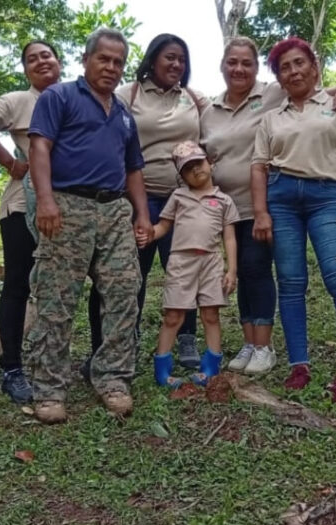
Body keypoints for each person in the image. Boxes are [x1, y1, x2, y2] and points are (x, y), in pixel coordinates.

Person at [200, 37, 336, 376]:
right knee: (244, 271)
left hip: (268, 201)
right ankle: (250, 341)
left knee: (262, 268)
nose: (239, 68)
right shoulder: (208, 110)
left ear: (257, 70)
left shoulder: (271, 93)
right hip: (228, 208)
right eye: (232, 62)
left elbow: (310, 88)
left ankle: (264, 345)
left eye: (247, 63)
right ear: (222, 66)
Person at [25, 28, 152, 424]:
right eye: (104, 59)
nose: (111, 68)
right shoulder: (58, 97)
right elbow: (39, 147)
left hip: (114, 211)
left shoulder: (123, 115)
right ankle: (48, 389)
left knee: (123, 290)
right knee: (57, 297)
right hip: (66, 205)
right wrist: (45, 200)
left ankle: (113, 378)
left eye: (118, 62)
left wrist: (143, 215)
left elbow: (133, 169)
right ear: (86, 59)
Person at [250, 37, 336, 400]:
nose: (293, 71)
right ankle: (298, 366)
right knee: (289, 281)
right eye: (284, 67)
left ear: (314, 67)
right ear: (280, 79)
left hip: (327, 198)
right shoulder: (272, 118)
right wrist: (261, 213)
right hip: (282, 199)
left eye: (299, 63)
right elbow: (258, 167)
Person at [87, 33, 208, 371]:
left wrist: (332, 91)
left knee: (183, 271)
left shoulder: (194, 99)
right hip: (137, 201)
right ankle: (125, 339)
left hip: (183, 201)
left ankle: (186, 337)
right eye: (169, 57)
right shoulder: (128, 94)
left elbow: (231, 115)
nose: (176, 64)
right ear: (153, 59)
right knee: (129, 274)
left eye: (182, 60)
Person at [0, 41, 61, 404]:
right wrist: (9, 161)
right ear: (26, 71)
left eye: (46, 55)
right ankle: (13, 369)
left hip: (69, 207)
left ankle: (62, 361)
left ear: (59, 61)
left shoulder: (73, 98)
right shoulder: (21, 100)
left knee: (65, 284)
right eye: (32, 59)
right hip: (23, 206)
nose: (40, 61)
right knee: (18, 284)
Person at [137, 141, 239, 388]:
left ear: (210, 163)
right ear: (181, 176)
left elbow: (229, 236)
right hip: (182, 262)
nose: (195, 171)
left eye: (199, 163)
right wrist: (150, 233)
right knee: (173, 315)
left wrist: (231, 269)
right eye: (187, 168)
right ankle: (162, 368)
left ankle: (210, 368)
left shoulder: (224, 200)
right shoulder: (178, 196)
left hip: (211, 261)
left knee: (210, 314)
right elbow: (164, 225)